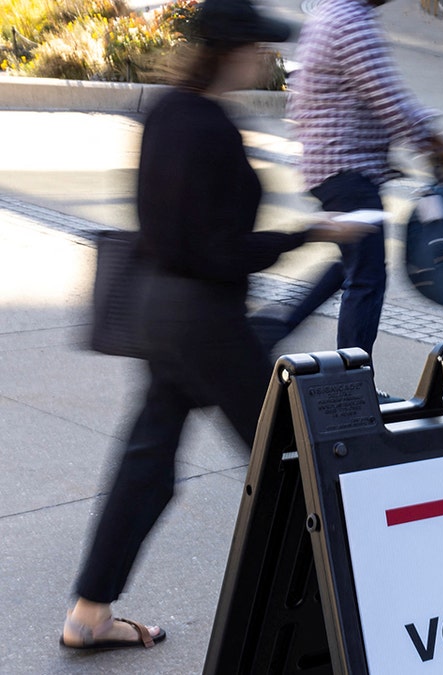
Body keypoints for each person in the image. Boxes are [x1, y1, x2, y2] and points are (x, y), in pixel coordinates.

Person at [60, 0, 373, 651]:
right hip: (205, 319)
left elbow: (168, 230)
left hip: (158, 313)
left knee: (148, 463)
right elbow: (219, 252)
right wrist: (311, 232)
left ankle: (90, 612)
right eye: (260, 46)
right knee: (292, 456)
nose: (267, 57)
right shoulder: (212, 128)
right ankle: (352, 602)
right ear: (232, 50)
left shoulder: (165, 111)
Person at [289, 0, 443, 403]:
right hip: (345, 168)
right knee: (367, 278)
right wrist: (440, 144)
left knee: (351, 264)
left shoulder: (334, 13)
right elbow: (389, 99)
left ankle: (276, 326)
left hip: (332, 165)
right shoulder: (351, 22)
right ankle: (350, 386)